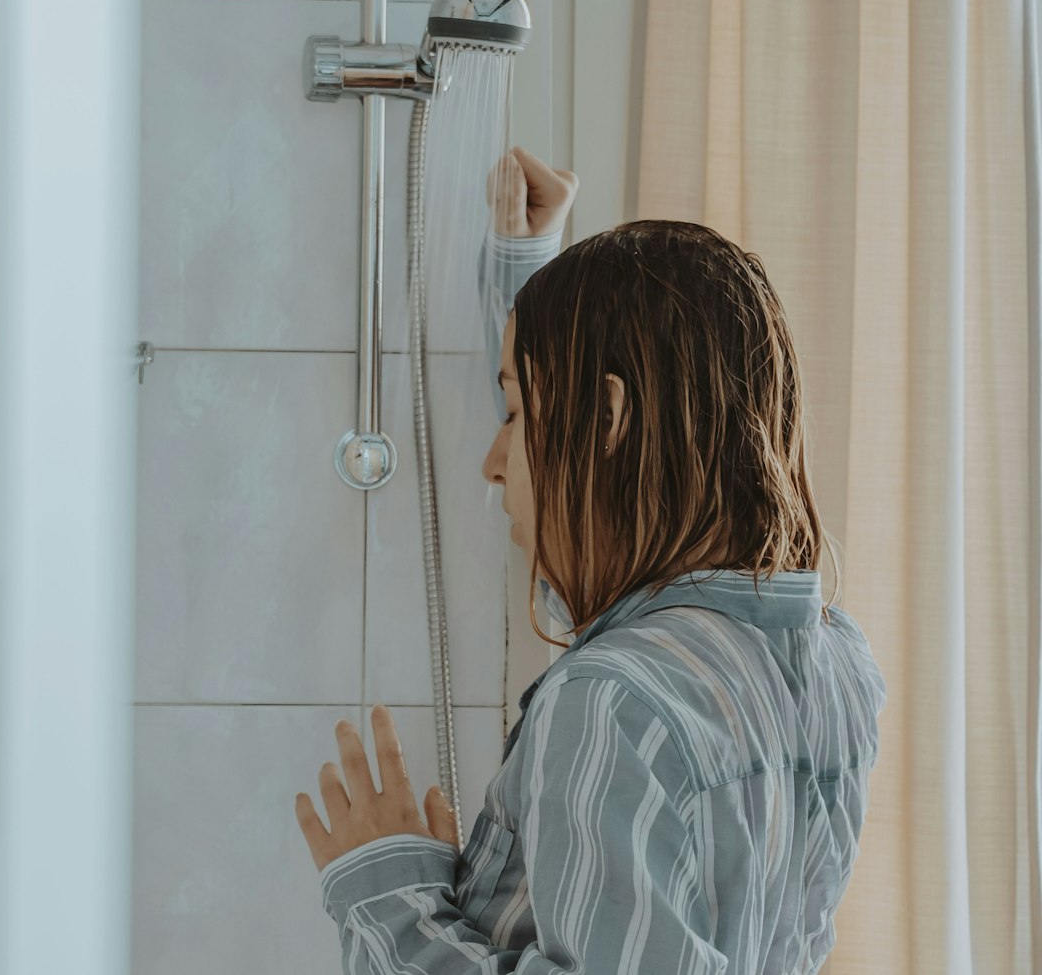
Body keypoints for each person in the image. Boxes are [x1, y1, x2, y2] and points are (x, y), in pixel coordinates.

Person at [307, 146, 888, 973]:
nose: (493, 459)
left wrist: (388, 898)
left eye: (513, 412)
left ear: (609, 415)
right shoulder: (836, 665)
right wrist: (531, 279)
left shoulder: (614, 700)